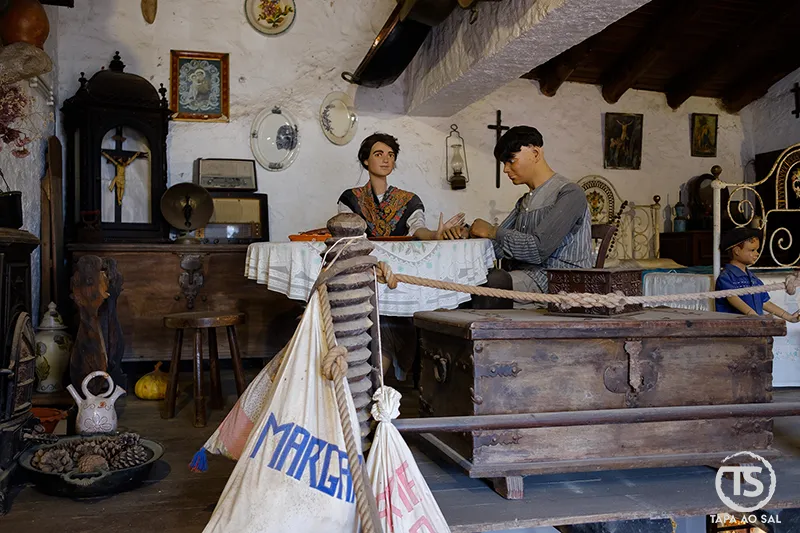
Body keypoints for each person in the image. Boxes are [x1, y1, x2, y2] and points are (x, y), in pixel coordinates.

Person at [469, 126, 592, 302]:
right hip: (527, 277)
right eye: (504, 163)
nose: (505, 169)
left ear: (535, 153)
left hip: (559, 284)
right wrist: (468, 235)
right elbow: (497, 247)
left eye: (511, 160)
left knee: (486, 283)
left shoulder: (570, 193)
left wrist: (492, 231)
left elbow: (537, 249)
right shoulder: (524, 202)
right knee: (466, 279)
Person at [338, 132, 464, 240]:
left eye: (391, 155)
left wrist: (435, 235)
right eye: (378, 154)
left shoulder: (409, 200)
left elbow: (418, 229)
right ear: (366, 160)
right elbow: (345, 234)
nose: (386, 159)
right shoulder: (350, 199)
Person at [715, 227, 799, 322]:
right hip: (736, 331)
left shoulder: (753, 279)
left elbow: (765, 303)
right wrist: (753, 315)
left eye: (757, 250)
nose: (757, 253)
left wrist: (789, 317)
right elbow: (732, 297)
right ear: (737, 251)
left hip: (755, 329)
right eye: (752, 250)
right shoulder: (726, 277)